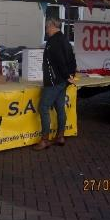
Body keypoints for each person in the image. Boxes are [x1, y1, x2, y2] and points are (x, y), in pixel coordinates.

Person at [34, 17, 76, 151]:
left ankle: (45, 139)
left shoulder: (53, 41)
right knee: (60, 108)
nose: (46, 30)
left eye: (47, 27)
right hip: (62, 81)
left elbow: (59, 61)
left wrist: (66, 76)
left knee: (43, 107)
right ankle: (60, 136)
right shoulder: (65, 40)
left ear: (53, 26)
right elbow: (72, 59)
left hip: (54, 81)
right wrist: (70, 76)